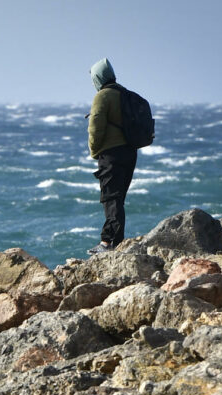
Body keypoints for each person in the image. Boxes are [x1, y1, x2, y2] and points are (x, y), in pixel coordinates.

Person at [86, 58, 138, 255]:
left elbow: (95, 127)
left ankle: (108, 243)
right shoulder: (125, 93)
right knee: (118, 198)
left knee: (110, 197)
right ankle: (117, 240)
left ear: (98, 78)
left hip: (111, 154)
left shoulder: (103, 96)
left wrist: (94, 151)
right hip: (130, 152)